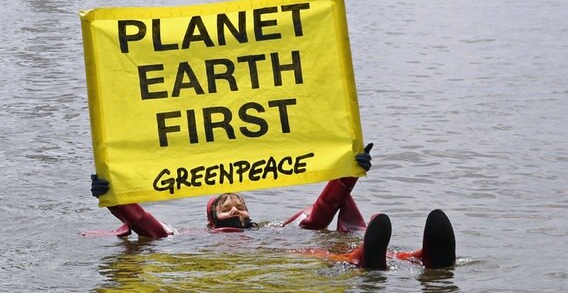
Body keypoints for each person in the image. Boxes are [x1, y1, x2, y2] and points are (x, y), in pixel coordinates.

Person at [88, 143, 456, 270]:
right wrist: (115, 196)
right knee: (306, 253)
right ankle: (361, 257)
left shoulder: (273, 230)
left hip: (276, 250)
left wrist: (348, 172)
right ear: (212, 218)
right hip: (266, 263)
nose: (235, 209)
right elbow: (146, 224)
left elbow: (321, 211)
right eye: (226, 206)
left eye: (240, 205)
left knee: (305, 242)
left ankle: (418, 256)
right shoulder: (185, 236)